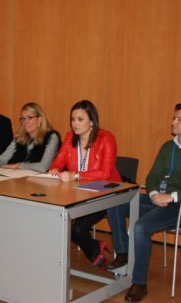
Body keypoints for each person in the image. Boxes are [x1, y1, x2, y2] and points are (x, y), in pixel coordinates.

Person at [107, 103, 181, 302]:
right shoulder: (167, 147)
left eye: (179, 119)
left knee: (140, 227)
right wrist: (155, 193)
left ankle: (139, 283)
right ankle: (123, 253)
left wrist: (171, 197)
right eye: (174, 118)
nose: (173, 122)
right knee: (115, 203)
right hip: (159, 199)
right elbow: (153, 176)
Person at [48, 100, 122, 269]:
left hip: (105, 194)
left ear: (92, 121)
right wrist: (54, 169)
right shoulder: (69, 137)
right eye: (73, 119)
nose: (75, 124)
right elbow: (58, 162)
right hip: (77, 193)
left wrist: (75, 175)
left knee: (75, 229)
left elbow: (104, 174)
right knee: (59, 222)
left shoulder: (106, 138)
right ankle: (95, 249)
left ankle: (94, 249)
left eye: (80, 119)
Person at [0, 102, 61, 172]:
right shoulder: (19, 137)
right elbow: (2, 158)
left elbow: (43, 167)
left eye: (30, 117)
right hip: (19, 181)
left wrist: (17, 166)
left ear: (40, 119)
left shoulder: (52, 137)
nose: (25, 122)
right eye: (23, 118)